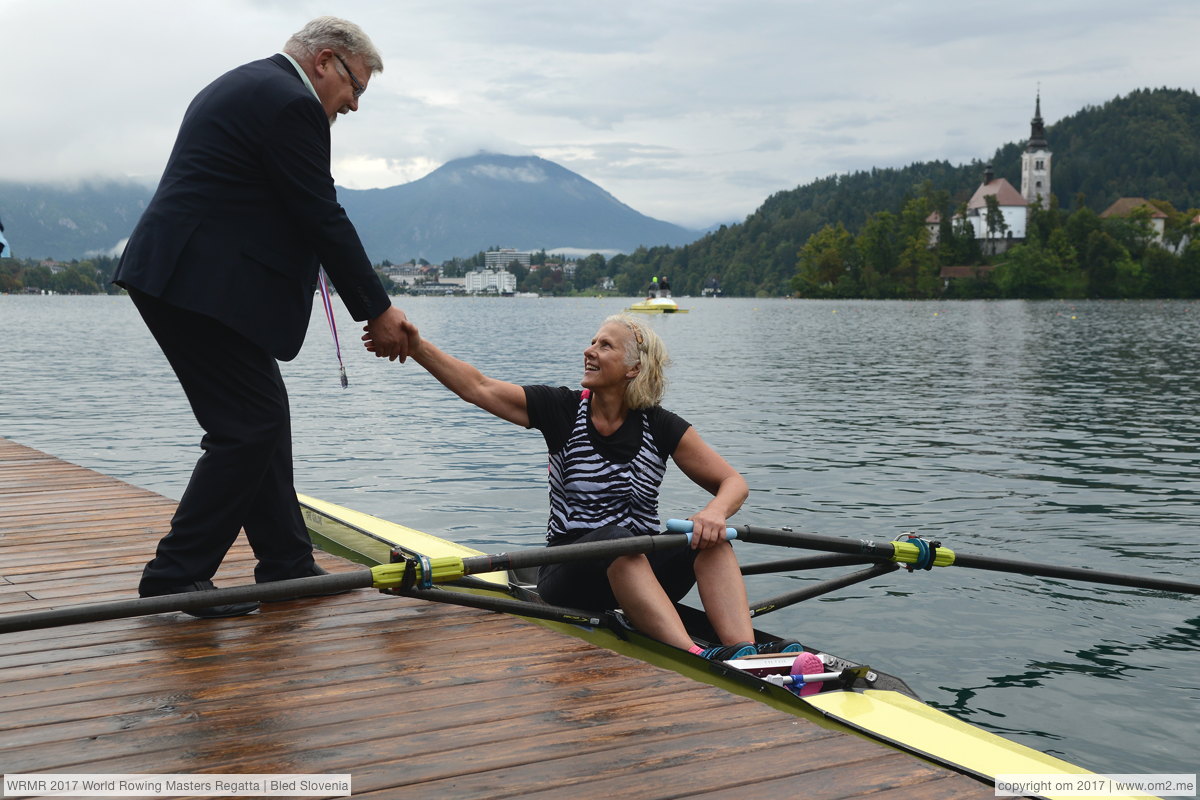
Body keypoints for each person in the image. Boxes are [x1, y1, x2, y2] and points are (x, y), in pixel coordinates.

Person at [114, 17, 410, 618]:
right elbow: (320, 214)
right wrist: (377, 310)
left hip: (190, 281)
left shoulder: (250, 85)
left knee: (263, 421)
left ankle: (287, 565)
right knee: (247, 427)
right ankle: (176, 574)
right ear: (326, 61)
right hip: (195, 287)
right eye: (354, 87)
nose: (352, 105)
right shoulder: (289, 105)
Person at [378, 313, 794, 658]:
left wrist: (714, 512)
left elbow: (733, 482)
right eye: (592, 342)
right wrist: (417, 347)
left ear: (633, 368)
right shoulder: (560, 409)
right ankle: (692, 655)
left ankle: (744, 653)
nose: (589, 351)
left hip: (638, 565)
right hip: (567, 574)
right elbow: (478, 387)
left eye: (604, 346)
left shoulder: (660, 425)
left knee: (712, 540)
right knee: (622, 542)